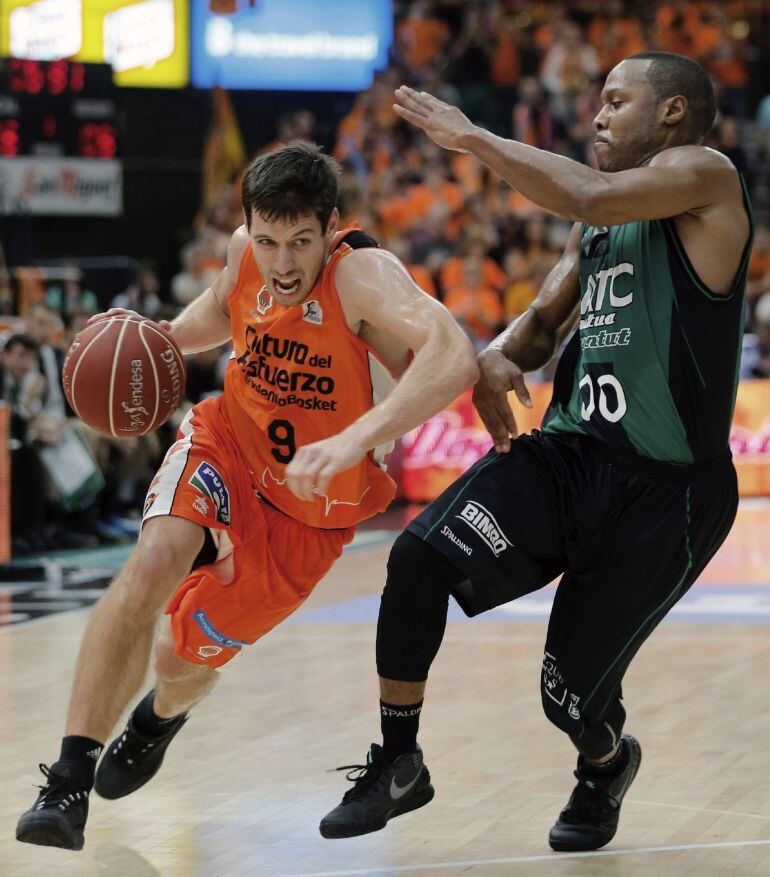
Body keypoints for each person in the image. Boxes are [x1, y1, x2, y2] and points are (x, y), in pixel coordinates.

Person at [320, 52, 754, 852]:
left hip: (668, 497)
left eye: (616, 101)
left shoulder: (706, 174)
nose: (596, 116)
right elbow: (545, 324)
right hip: (570, 456)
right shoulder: (598, 225)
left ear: (670, 113)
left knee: (569, 699)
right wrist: (498, 356)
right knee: (419, 558)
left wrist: (473, 137)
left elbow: (586, 189)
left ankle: (605, 763)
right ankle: (398, 758)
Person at [15, 143, 478, 851]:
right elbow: (213, 308)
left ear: (330, 229)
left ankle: (160, 716)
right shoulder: (245, 256)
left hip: (308, 514)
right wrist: (152, 344)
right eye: (267, 241)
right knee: (151, 562)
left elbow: (452, 353)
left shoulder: (363, 277)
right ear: (249, 228)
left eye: (300, 243)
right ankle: (67, 779)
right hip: (226, 446)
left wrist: (358, 439)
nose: (283, 263)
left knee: (181, 660)